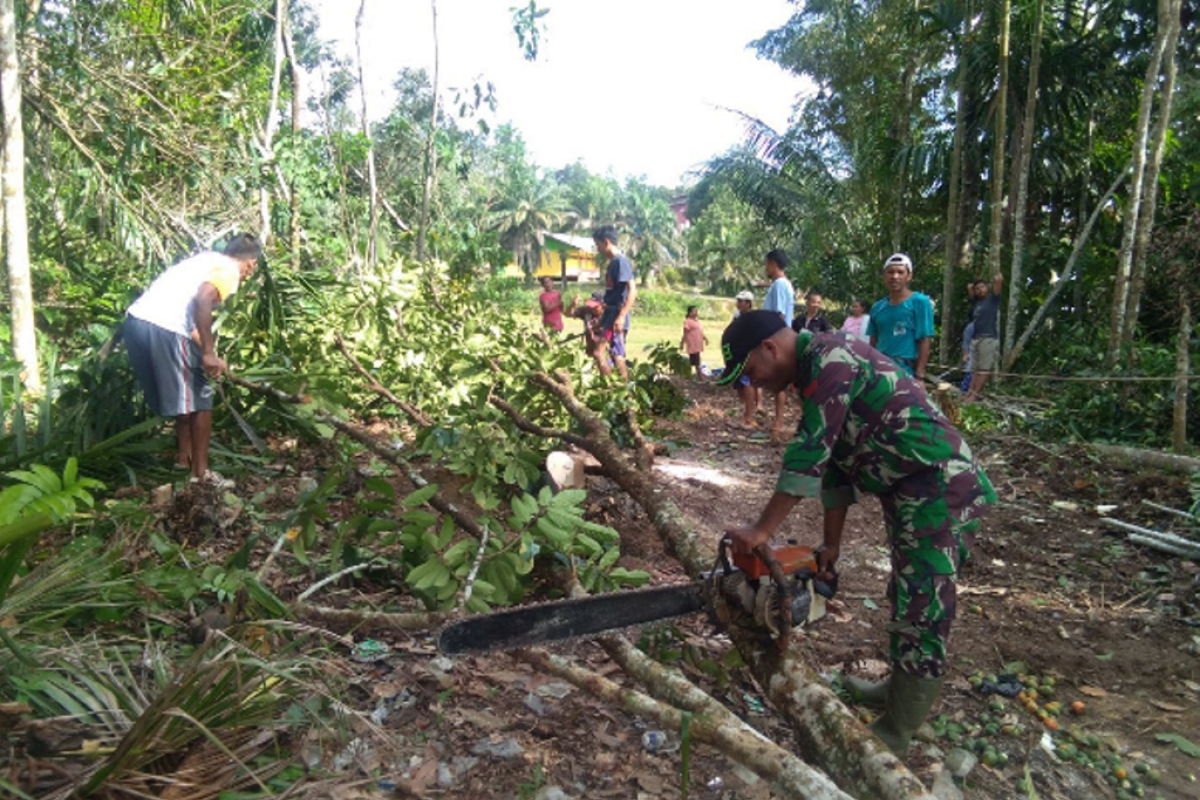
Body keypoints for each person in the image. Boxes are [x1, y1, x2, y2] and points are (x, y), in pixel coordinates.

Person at [715, 310, 996, 755]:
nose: (755, 383)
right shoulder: (813, 374)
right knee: (905, 590)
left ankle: (898, 732)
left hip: (940, 482)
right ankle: (898, 693)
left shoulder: (830, 358)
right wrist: (832, 545)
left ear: (769, 348)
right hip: (911, 485)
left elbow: (809, 453)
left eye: (751, 371)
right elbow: (833, 470)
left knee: (923, 599)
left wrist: (762, 530)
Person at [124, 233, 263, 485]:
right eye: (250, 269)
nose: (246, 275)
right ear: (250, 263)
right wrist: (208, 353)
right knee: (201, 399)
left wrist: (211, 354)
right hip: (166, 329)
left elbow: (191, 326)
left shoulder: (202, 262)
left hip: (137, 325)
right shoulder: (228, 269)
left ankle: (182, 460)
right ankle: (201, 476)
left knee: (187, 396)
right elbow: (203, 299)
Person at [867, 253, 935, 381]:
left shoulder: (920, 302)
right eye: (890, 272)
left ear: (909, 276)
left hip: (906, 370)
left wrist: (920, 375)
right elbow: (873, 341)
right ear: (884, 276)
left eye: (900, 272)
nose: (895, 276)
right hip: (879, 369)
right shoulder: (877, 307)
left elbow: (925, 339)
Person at [593, 225, 637, 379]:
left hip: (617, 314)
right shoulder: (613, 263)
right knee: (614, 355)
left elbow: (632, 290)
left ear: (606, 242)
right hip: (610, 313)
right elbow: (612, 295)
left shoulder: (620, 262)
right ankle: (622, 391)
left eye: (598, 245)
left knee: (601, 353)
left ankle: (618, 389)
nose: (597, 250)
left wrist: (621, 316)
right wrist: (602, 320)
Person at [762, 249, 795, 436]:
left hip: (778, 337)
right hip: (780, 337)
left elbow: (780, 314)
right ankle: (777, 420)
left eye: (766, 264)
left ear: (773, 263)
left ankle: (779, 422)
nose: (765, 268)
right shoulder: (781, 284)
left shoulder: (780, 285)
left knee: (779, 382)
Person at [963, 274, 1003, 402]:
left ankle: (975, 394)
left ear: (987, 287)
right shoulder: (977, 303)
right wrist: (971, 288)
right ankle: (970, 392)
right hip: (976, 338)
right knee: (975, 368)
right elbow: (970, 290)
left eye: (982, 287)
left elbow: (998, 285)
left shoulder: (992, 300)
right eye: (977, 289)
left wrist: (997, 280)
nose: (980, 290)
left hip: (988, 338)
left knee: (984, 369)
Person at [733, 290, 763, 426]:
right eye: (738, 301)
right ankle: (748, 411)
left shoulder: (753, 318)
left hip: (750, 354)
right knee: (740, 384)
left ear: (748, 303)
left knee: (749, 382)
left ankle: (749, 416)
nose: (738, 303)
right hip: (739, 352)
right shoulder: (737, 316)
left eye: (741, 301)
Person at [566, 291, 606, 359]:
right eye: (591, 306)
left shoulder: (609, 314)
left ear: (603, 305)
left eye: (595, 306)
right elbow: (568, 314)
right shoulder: (587, 310)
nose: (592, 308)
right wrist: (572, 305)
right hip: (590, 349)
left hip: (604, 351)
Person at [679, 305, 708, 380]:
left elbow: (700, 332)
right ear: (690, 313)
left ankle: (687, 375)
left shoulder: (696, 321)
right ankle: (700, 377)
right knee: (696, 362)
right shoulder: (687, 321)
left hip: (697, 345)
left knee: (693, 361)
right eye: (694, 311)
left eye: (696, 311)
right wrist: (682, 343)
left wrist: (705, 338)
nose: (696, 312)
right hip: (693, 345)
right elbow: (685, 333)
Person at [960, 320, 975, 394]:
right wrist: (965, 355)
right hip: (971, 354)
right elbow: (966, 343)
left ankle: (972, 392)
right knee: (969, 373)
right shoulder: (971, 327)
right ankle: (964, 391)